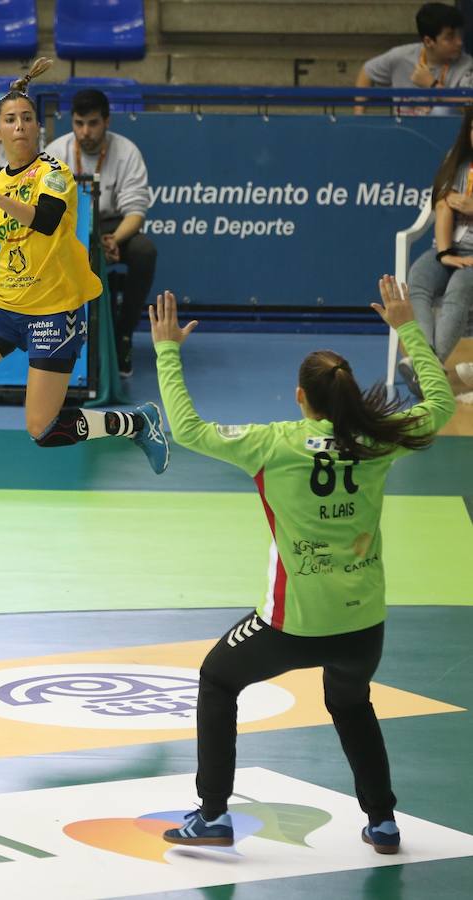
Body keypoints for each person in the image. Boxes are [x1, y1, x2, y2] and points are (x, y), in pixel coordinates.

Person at [152, 279, 454, 854]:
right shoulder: (378, 440)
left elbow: (187, 430)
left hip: (289, 625)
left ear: (299, 397)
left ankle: (213, 814)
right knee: (350, 702)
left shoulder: (273, 444)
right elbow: (439, 405)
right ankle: (384, 822)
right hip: (362, 625)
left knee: (217, 680)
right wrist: (408, 326)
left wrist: (168, 350)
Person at [0, 59, 169, 534]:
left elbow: (43, 220)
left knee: (44, 431)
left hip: (56, 312)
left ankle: (136, 423)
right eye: (10, 119)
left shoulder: (56, 173)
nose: (20, 125)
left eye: (27, 118)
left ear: (38, 128)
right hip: (5, 309)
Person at [44, 89, 155, 376]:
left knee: (144, 252)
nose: (85, 132)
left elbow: (136, 213)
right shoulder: (56, 152)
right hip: (70, 225)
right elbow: (46, 208)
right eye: (79, 123)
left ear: (107, 121)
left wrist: (114, 239)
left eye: (93, 123)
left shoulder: (127, 152)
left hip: (113, 225)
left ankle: (123, 336)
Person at [400, 104, 473, 397]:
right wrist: (444, 254)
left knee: (459, 287)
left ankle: (427, 367)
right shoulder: (456, 164)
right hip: (450, 249)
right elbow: (442, 204)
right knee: (418, 278)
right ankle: (426, 363)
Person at [355, 3, 473, 114]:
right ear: (428, 41)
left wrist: (432, 85)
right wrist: (358, 116)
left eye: (459, 34)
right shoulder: (400, 57)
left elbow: (469, 104)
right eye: (450, 37)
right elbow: (367, 72)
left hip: (447, 133)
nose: (459, 42)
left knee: (442, 111)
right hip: (405, 131)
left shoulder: (466, 64)